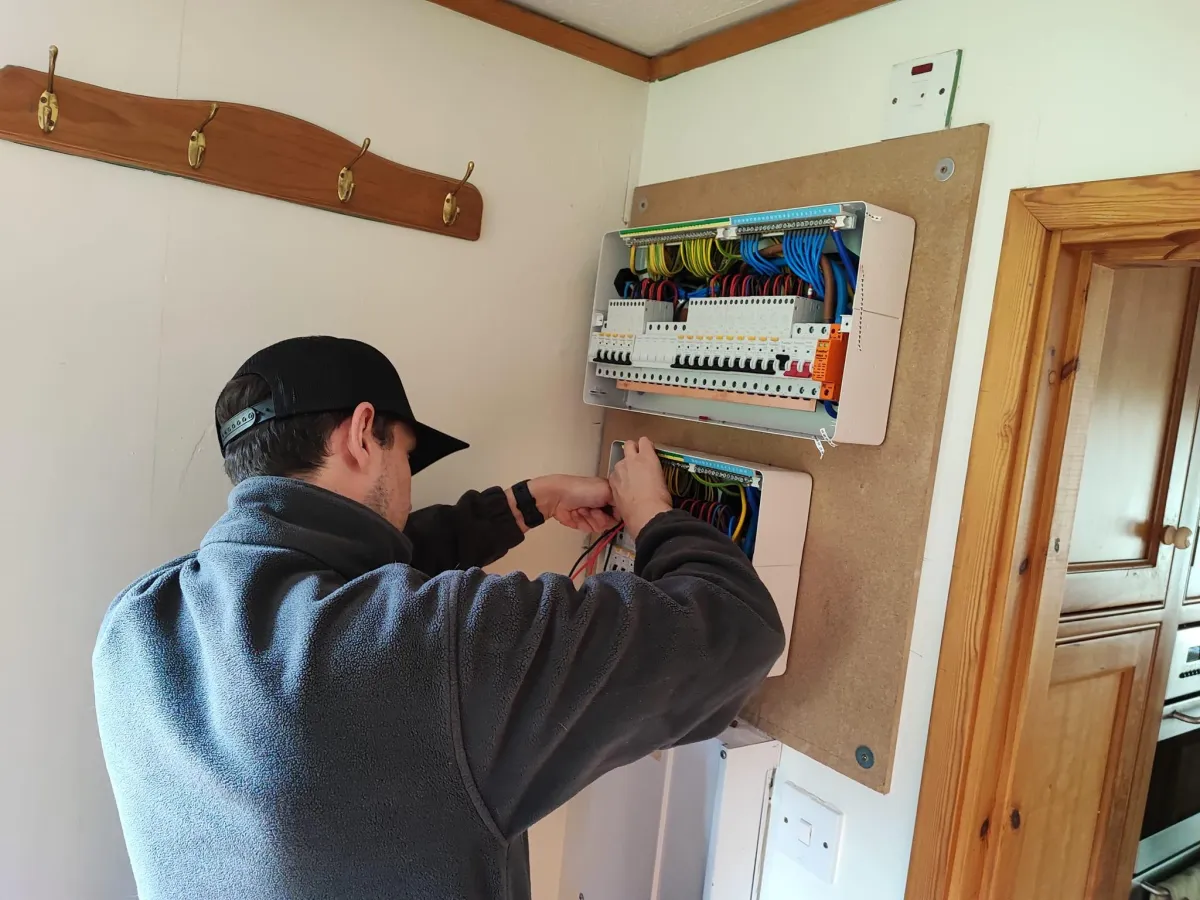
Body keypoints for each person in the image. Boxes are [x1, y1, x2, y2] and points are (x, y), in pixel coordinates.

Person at [93, 336, 784, 900]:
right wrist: (655, 518)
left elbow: (339, 585)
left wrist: (521, 504)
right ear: (363, 436)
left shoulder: (133, 629)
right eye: (408, 455)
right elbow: (735, 624)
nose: (411, 479)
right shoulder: (426, 652)